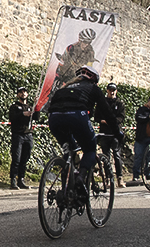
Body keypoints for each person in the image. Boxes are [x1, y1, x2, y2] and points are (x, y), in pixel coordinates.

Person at [43, 65, 120, 199]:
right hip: (77, 116)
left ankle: (65, 187)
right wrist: (118, 132)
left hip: (55, 119)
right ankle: (81, 177)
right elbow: (107, 113)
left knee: (69, 150)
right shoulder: (93, 88)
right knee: (90, 149)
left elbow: (51, 106)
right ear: (94, 80)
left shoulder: (65, 88)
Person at [97, 82, 126, 187]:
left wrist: (112, 121)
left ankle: (120, 178)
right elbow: (97, 117)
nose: (112, 92)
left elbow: (121, 117)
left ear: (116, 91)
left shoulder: (120, 103)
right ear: (107, 91)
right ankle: (108, 178)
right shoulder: (102, 103)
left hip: (115, 133)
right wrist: (103, 121)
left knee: (117, 155)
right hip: (104, 133)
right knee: (106, 157)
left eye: (113, 90)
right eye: (110, 90)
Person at [128, 93, 150, 185]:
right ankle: (136, 175)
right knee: (138, 157)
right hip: (141, 138)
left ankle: (148, 174)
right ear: (148, 102)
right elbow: (138, 118)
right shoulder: (142, 110)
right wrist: (148, 117)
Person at [7, 85, 33, 189]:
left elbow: (37, 117)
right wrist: (23, 114)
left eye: (25, 92)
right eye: (21, 92)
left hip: (28, 135)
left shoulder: (31, 106)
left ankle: (21, 179)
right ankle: (13, 179)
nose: (23, 94)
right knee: (16, 158)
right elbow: (12, 118)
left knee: (25, 158)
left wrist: (38, 107)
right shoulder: (14, 107)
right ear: (18, 95)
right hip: (18, 135)